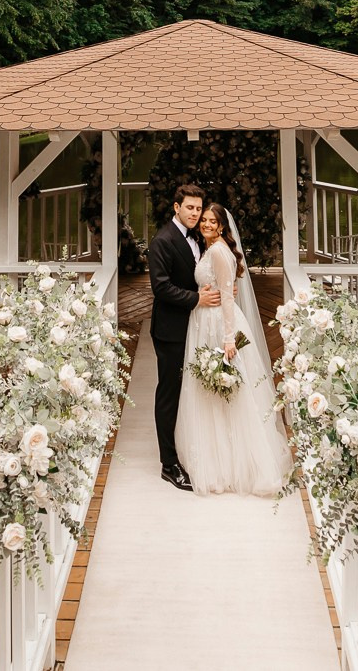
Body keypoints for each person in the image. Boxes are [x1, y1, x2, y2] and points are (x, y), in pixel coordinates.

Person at [173, 202, 294, 496]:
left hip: (218, 325)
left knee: (226, 389)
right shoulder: (211, 248)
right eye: (203, 220)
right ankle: (218, 458)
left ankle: (233, 465)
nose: (205, 225)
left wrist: (228, 338)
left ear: (222, 227)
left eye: (212, 222)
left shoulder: (217, 251)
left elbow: (228, 298)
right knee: (211, 390)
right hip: (204, 319)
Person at [147, 183, 222, 491]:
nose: (194, 213)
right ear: (176, 207)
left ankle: (189, 447)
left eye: (197, 208)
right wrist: (196, 299)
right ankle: (168, 464)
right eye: (189, 207)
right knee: (169, 393)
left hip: (193, 326)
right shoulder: (162, 241)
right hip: (170, 329)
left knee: (189, 389)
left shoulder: (198, 239)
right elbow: (161, 287)